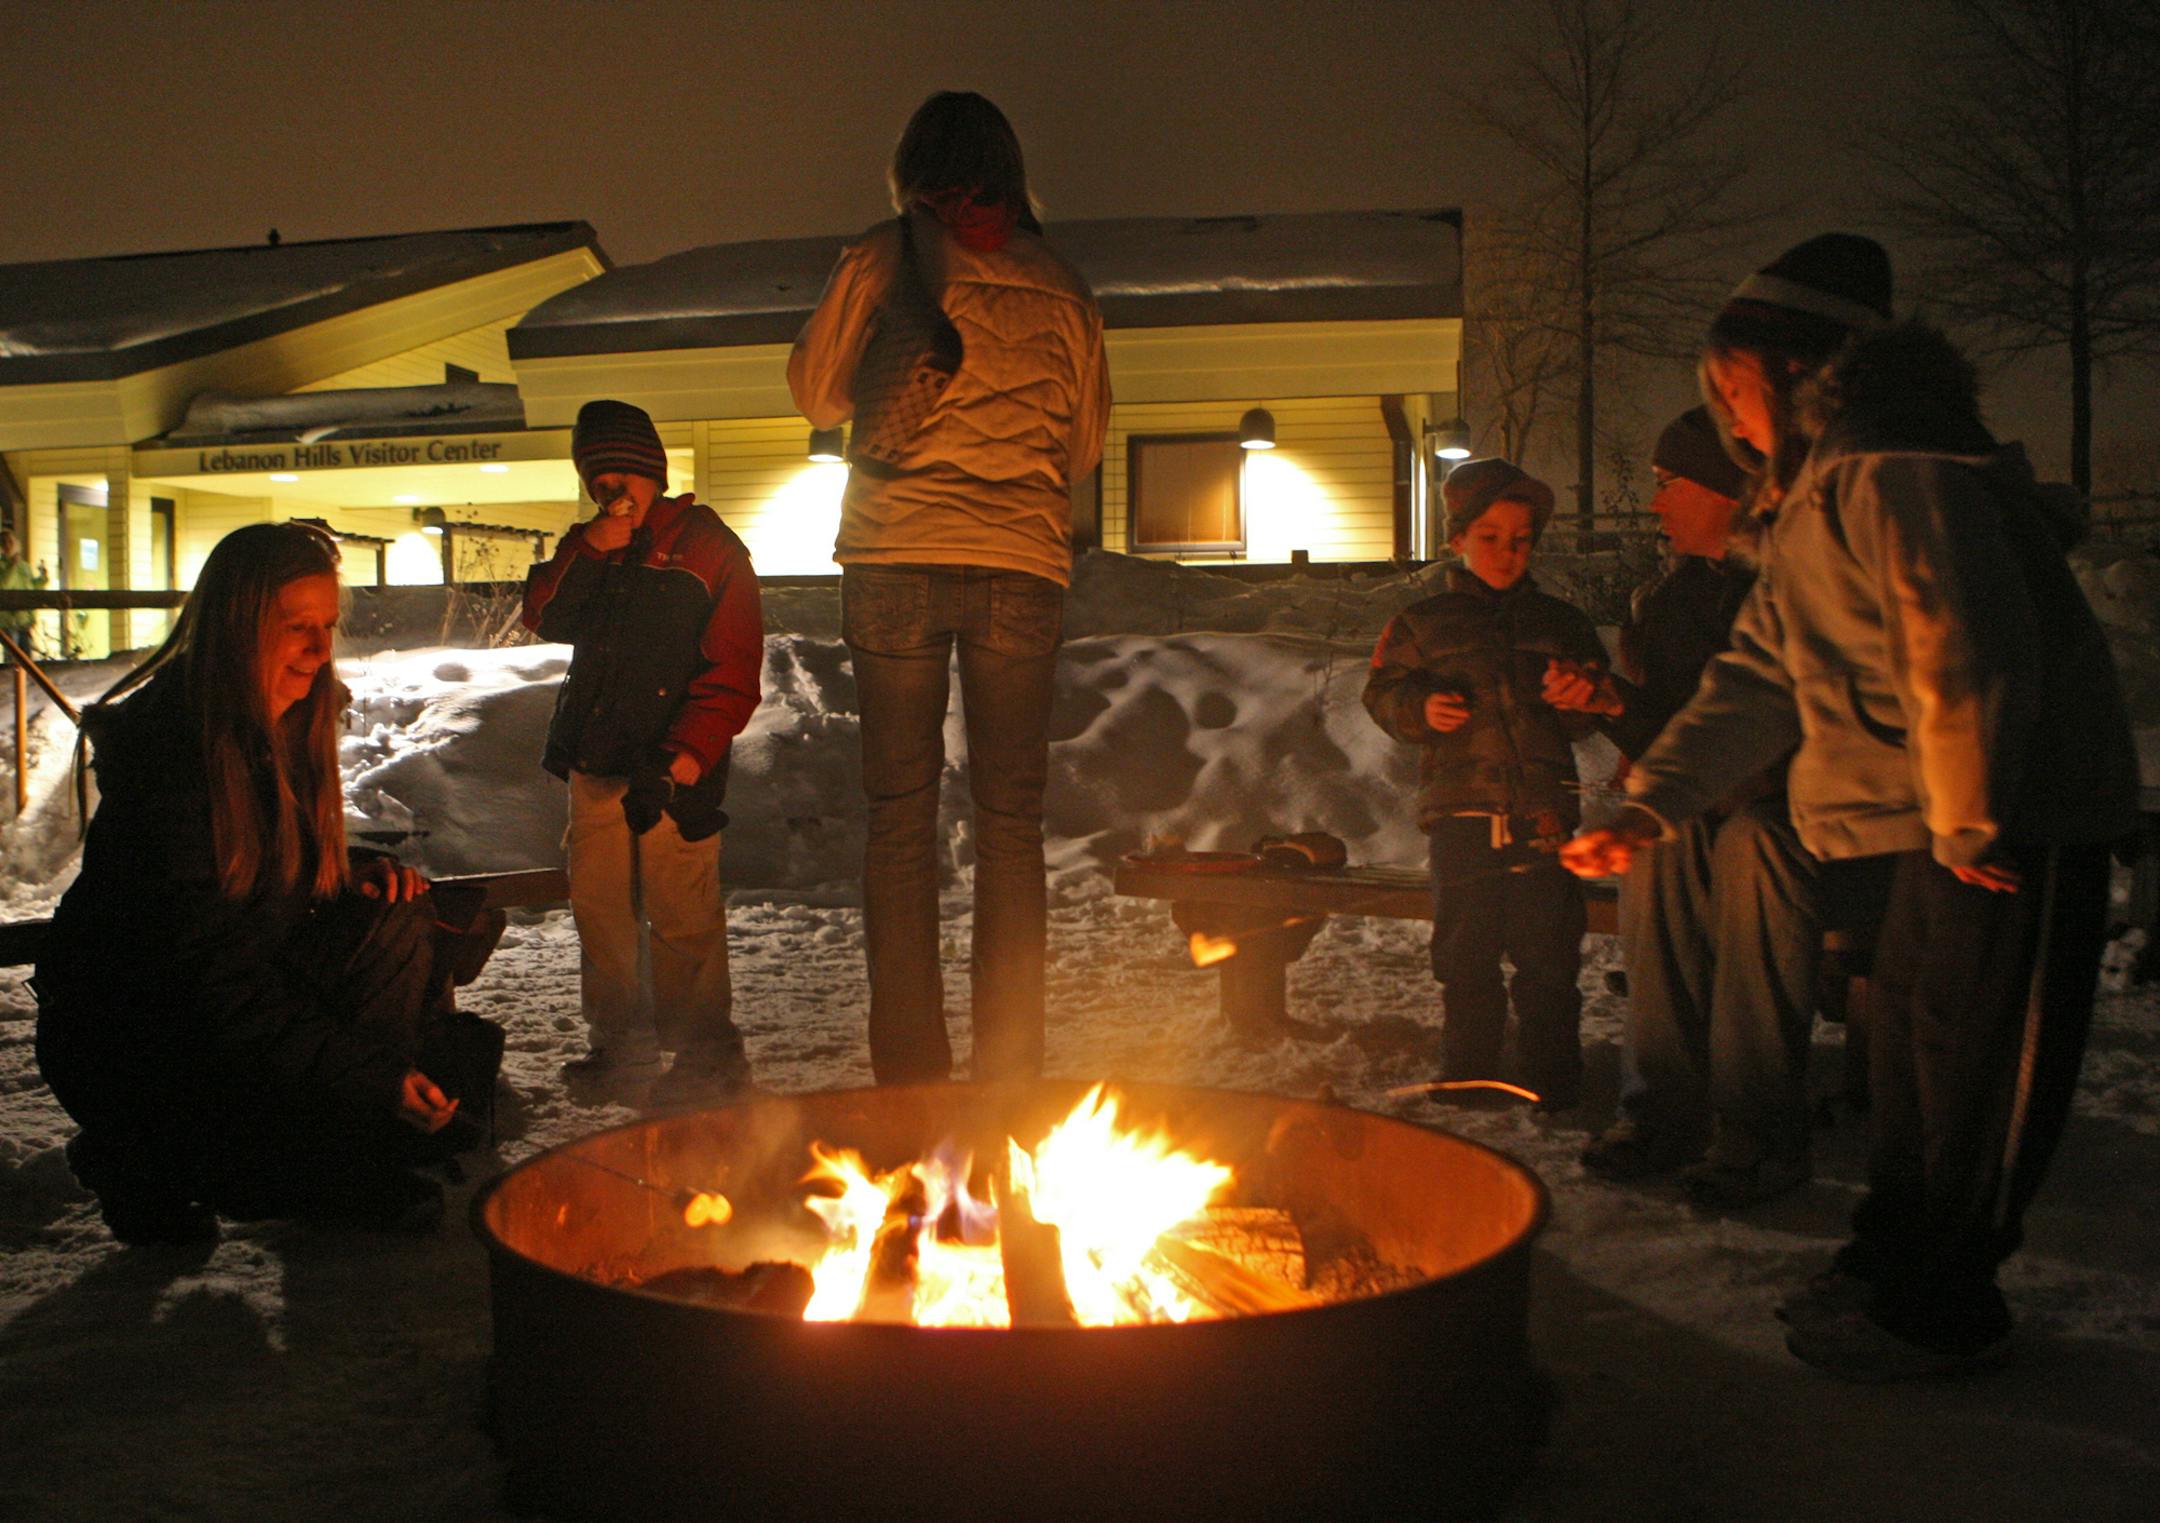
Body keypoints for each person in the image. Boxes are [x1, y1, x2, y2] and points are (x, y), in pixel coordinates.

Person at [1563, 234, 2138, 1380]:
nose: (1725, 415)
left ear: (1792, 369)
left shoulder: (1898, 470)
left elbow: (1964, 643)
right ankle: (1891, 1258)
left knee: (1976, 1073)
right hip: (1943, 831)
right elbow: (1764, 671)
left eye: (1733, 385)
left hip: (2016, 824)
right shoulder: (1823, 497)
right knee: (1918, 1062)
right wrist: (1652, 802)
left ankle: (1943, 1303)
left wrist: (1971, 819)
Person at [35, 522, 504, 1245]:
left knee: (398, 921)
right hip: (135, 1043)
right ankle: (148, 1152)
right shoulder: (175, 768)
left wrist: (353, 879)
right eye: (296, 628)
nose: (320, 652)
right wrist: (374, 1079)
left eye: (326, 626)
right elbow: (212, 984)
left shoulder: (280, 731)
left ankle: (319, 1148)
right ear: (235, 629)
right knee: (273, 1171)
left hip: (217, 1008)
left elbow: (259, 899)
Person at [787, 91, 1109, 1085]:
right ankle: (1011, 1071)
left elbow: (817, 392)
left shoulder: (884, 256)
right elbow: (1085, 445)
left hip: (896, 556)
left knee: (901, 817)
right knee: (1012, 823)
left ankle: (912, 1074)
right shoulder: (1062, 285)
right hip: (1019, 562)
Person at [1546, 407, 1882, 1209]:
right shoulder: (1672, 605)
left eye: (1670, 485)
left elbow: (1801, 728)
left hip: (1822, 823)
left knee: (1754, 844)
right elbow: (1676, 736)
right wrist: (1609, 701)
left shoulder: (1800, 584)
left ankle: (1760, 1130)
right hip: (1715, 810)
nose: (1655, 504)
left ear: (1729, 490)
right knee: (1659, 843)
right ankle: (1664, 1107)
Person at [523, 400, 766, 1107]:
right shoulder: (594, 546)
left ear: (653, 470)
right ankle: (618, 1047)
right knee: (600, 911)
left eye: (620, 470)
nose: (609, 487)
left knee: (681, 914)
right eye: (596, 476)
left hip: (671, 770)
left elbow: (732, 672)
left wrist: (685, 759)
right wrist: (592, 544)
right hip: (596, 763)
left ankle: (705, 1056)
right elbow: (544, 614)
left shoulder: (710, 547)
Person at [1363, 459, 1610, 1111]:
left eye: (1521, 538)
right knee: (1465, 952)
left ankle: (1554, 1073)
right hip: (1461, 814)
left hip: (1544, 814)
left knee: (1549, 955)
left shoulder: (1561, 623)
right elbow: (1382, 691)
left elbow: (1591, 707)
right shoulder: (1422, 622)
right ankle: (1470, 1067)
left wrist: (1583, 695)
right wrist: (1419, 707)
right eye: (1491, 535)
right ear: (1458, 540)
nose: (1506, 551)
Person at [0, 527, 49, 653]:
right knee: (13, 658)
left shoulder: (25, 566)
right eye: (3, 542)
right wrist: (12, 566)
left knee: (27, 657)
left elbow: (31, 587)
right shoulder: (2, 565)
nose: (7, 545)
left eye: (10, 542)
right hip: (8, 620)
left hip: (25, 619)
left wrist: (42, 579)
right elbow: (4, 586)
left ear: (16, 544)